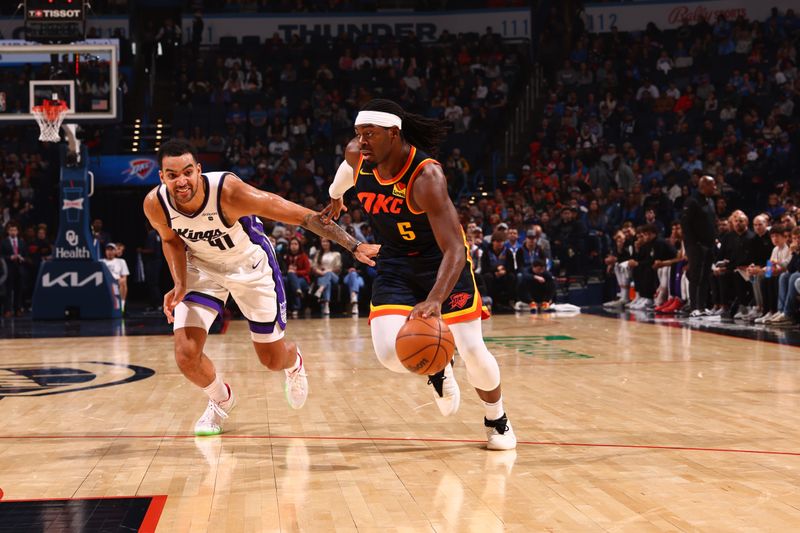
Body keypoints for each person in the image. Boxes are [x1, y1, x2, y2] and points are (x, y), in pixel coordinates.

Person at [143, 139, 379, 436]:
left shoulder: (229, 193)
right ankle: (221, 400)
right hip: (202, 267)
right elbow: (171, 241)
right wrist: (179, 283)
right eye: (173, 174)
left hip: (249, 267)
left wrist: (353, 245)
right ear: (162, 177)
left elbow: (304, 217)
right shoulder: (156, 204)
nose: (182, 181)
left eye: (188, 172)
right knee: (185, 353)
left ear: (199, 171)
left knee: (271, 360)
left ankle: (293, 361)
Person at [321, 99, 516, 450]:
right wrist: (336, 197)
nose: (362, 141)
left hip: (441, 262)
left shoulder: (426, 176)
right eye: (358, 134)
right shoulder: (358, 156)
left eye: (370, 135)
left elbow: (455, 248)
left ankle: (496, 419)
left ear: (394, 135)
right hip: (396, 262)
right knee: (388, 354)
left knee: (472, 349)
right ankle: (438, 368)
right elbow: (345, 173)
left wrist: (435, 300)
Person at [680, 175, 717, 316]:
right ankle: (694, 307)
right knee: (695, 276)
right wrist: (693, 244)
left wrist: (714, 239)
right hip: (695, 246)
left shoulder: (711, 202)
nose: (715, 187)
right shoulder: (692, 202)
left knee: (706, 276)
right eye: (712, 185)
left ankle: (702, 306)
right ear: (703, 186)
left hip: (709, 245)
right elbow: (686, 225)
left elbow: (712, 223)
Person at [100, 243, 130, 314]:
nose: (109, 252)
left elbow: (124, 277)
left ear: (115, 251)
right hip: (105, 282)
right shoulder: (101, 262)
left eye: (112, 250)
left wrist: (117, 281)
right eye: (108, 250)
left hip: (116, 282)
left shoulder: (121, 261)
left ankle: (122, 306)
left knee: (123, 283)